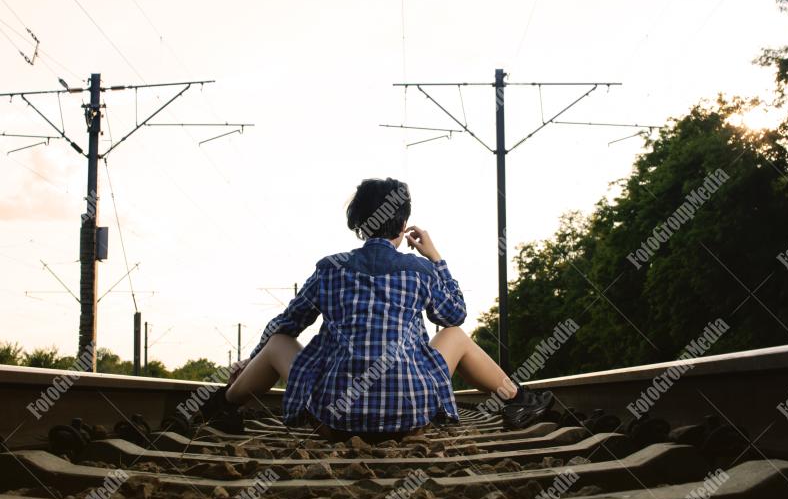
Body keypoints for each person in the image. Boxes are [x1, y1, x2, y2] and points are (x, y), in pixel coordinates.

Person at [201, 177, 553, 439]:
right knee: (455, 335)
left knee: (277, 342)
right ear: (403, 226)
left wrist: (251, 359)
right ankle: (518, 398)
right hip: (412, 417)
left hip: (334, 421)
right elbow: (454, 314)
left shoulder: (329, 268)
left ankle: (225, 405)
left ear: (356, 224)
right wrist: (435, 257)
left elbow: (286, 325)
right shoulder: (421, 270)